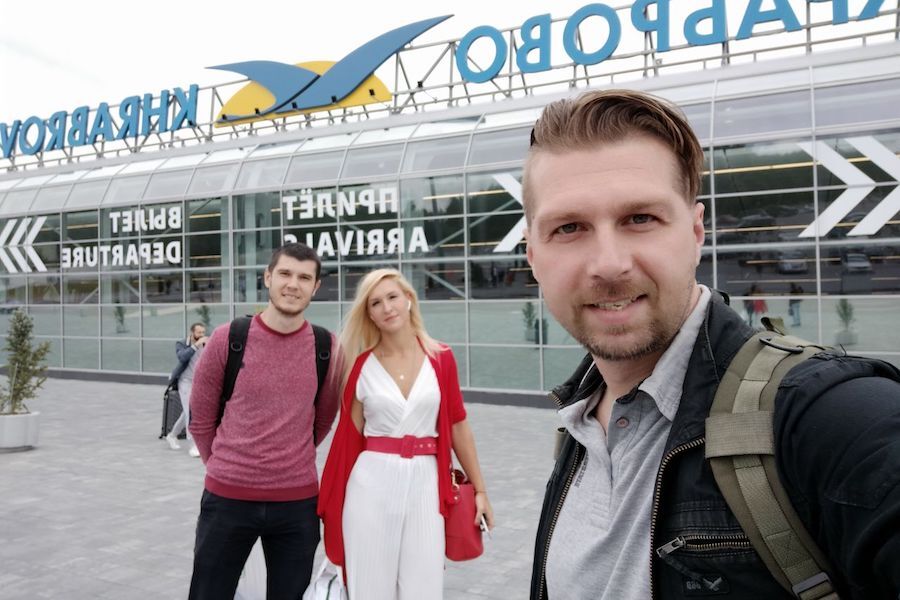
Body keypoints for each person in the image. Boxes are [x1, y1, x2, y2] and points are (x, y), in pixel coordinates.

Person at [523, 89, 900, 599]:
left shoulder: (827, 418)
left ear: (696, 232)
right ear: (533, 255)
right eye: (569, 227)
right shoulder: (579, 420)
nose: (609, 264)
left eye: (640, 218)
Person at [319, 268, 494, 600]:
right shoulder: (360, 367)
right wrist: (332, 503)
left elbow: (458, 426)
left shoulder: (441, 358)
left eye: (392, 297)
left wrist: (480, 490)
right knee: (370, 590)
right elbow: (348, 442)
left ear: (409, 299)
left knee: (423, 589)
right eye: (376, 303)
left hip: (426, 485)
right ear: (369, 314)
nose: (387, 307)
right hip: (370, 486)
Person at [186, 243, 342, 600]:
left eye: (304, 278)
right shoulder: (228, 338)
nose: (293, 284)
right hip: (227, 499)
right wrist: (227, 466)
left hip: (297, 504)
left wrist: (288, 456)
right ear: (268, 277)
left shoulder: (327, 347)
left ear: (315, 287)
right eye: (285, 273)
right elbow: (201, 419)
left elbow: (322, 420)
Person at [164, 322, 207, 457]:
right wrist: (196, 345)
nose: (201, 335)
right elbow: (182, 358)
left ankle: (172, 435)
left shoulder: (205, 344)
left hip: (198, 382)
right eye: (199, 332)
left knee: (187, 412)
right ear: (192, 332)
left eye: (203, 332)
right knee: (190, 412)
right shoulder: (182, 343)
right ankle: (193, 445)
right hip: (185, 381)